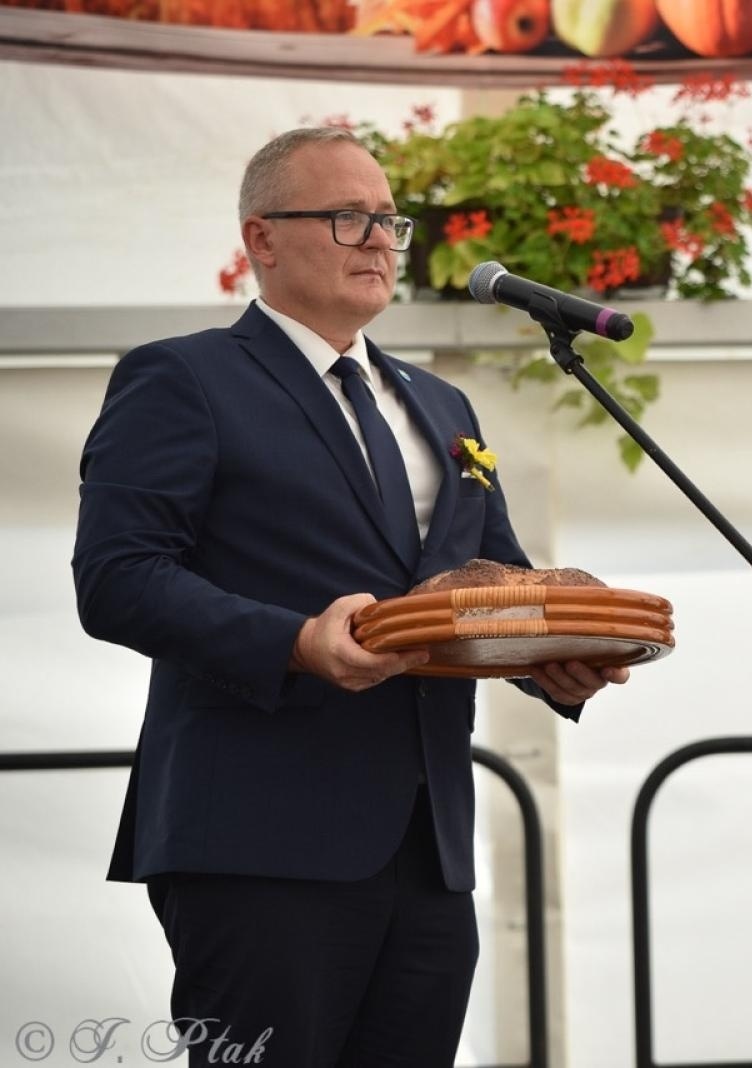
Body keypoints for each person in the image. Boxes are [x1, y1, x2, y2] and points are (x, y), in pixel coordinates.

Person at [72, 127, 627, 1067]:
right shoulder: (185, 377)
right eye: (346, 217)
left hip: (429, 849)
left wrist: (558, 662)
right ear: (262, 239)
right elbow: (117, 579)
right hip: (257, 841)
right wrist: (296, 641)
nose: (378, 239)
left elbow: (491, 584)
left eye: (387, 220)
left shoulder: (440, 406)